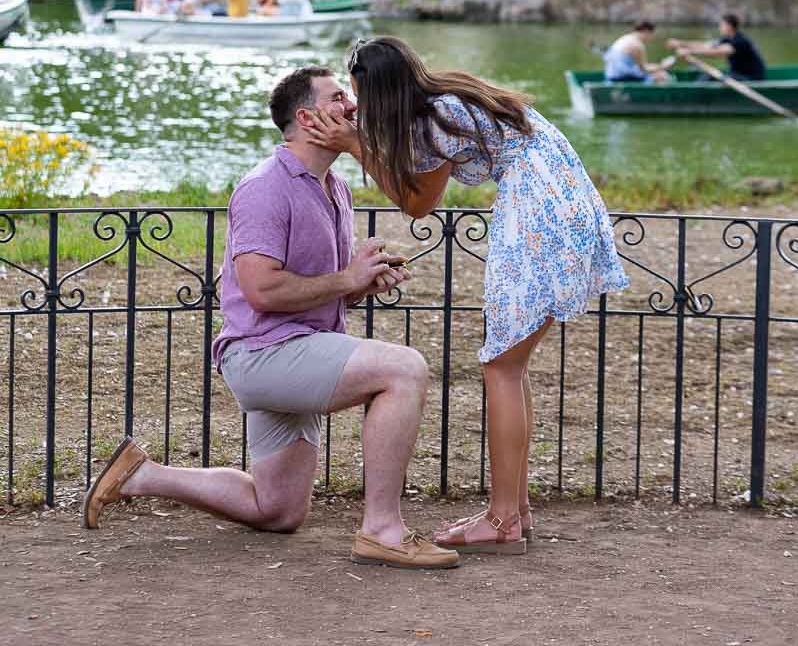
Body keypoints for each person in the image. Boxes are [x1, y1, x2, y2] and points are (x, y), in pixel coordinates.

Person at [81, 65, 459, 571]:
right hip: (264, 353)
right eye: (337, 98)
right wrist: (347, 279)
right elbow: (261, 290)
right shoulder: (265, 186)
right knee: (404, 369)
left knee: (277, 509)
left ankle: (141, 475)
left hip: (298, 346)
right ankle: (383, 531)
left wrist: (360, 285)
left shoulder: (335, 189)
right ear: (306, 117)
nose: (352, 106)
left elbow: (314, 292)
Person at [306, 37, 630, 556]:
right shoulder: (446, 98)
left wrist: (352, 145)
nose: (356, 108)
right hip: (564, 197)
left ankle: (502, 519)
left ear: (379, 93)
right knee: (509, 365)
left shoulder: (434, 122)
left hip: (538, 208)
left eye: (360, 96)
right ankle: (514, 511)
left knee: (501, 368)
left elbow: (418, 204)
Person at [668, 13, 766, 82]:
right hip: (738, 74)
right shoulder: (726, 39)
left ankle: (693, 96)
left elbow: (718, 52)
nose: (719, 27)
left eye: (721, 25)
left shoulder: (740, 40)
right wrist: (680, 43)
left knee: (710, 76)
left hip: (751, 78)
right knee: (698, 71)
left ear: (729, 26)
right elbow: (705, 45)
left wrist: (690, 52)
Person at [603, 21, 671, 84]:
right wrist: (662, 66)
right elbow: (644, 68)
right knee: (662, 76)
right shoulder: (637, 45)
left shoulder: (624, 38)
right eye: (651, 35)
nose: (651, 38)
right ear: (646, 31)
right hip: (621, 78)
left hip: (610, 76)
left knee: (653, 74)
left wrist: (657, 67)